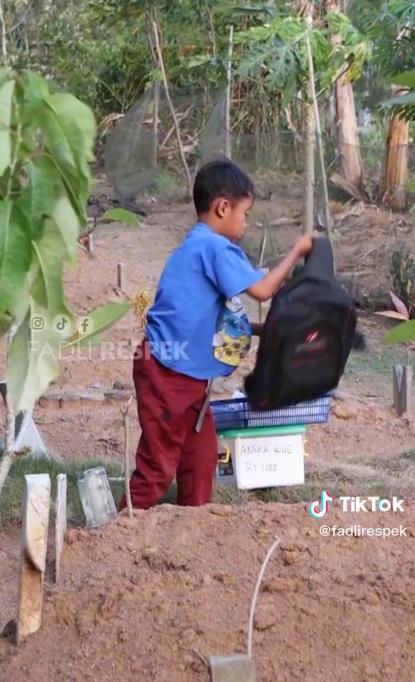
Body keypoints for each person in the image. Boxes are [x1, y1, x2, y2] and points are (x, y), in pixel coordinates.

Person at [119, 159, 315, 511]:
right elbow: (263, 290)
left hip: (184, 376)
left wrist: (264, 330)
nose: (246, 222)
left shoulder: (194, 246)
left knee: (200, 460)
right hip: (168, 374)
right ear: (223, 207)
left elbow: (212, 319)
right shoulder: (213, 247)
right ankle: (119, 534)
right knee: (158, 466)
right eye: (246, 212)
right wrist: (298, 251)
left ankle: (191, 529)